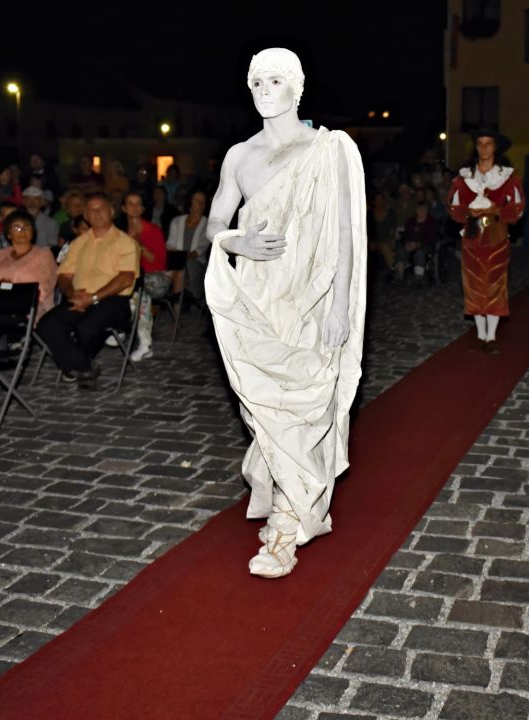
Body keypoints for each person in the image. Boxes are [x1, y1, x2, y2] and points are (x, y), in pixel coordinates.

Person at [204, 48, 366, 578]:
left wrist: (340, 305)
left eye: (275, 80)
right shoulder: (239, 156)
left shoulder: (328, 149)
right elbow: (214, 222)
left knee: (305, 410)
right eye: (256, 81)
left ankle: (283, 528)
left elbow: (344, 233)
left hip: (311, 296)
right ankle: (292, 503)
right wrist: (236, 241)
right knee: (265, 411)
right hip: (257, 299)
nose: (263, 90)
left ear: (298, 87)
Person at [35, 193, 138, 390]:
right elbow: (64, 275)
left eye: (101, 208)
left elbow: (125, 278)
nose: (96, 213)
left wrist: (93, 297)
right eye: (91, 210)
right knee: (48, 324)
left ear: (112, 212)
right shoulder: (78, 243)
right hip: (80, 297)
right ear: (85, 216)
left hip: (113, 300)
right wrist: (71, 293)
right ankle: (84, 367)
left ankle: (74, 367)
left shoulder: (125, 242)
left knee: (86, 327)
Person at [448, 128, 525, 353]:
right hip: (472, 238)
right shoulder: (464, 179)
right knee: (473, 285)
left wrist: (497, 210)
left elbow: (518, 208)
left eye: (488, 143)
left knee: (494, 284)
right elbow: (453, 207)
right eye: (480, 143)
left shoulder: (508, 179)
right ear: (476, 147)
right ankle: (481, 336)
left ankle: (491, 338)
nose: (484, 147)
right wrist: (467, 213)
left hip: (496, 237)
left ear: (495, 147)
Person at [0, 209, 59, 393]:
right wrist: (1, 285)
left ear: (33, 232)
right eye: (17, 227)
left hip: (29, 306)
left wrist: (14, 290)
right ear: (8, 233)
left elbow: (46, 285)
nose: (22, 231)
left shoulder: (43, 254)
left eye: (27, 227)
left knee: (9, 320)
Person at [119, 191, 168, 362]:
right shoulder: (119, 233)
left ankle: (125, 328)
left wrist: (140, 245)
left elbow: (158, 262)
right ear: (123, 208)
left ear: (143, 208)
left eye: (138, 203)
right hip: (129, 279)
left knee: (139, 290)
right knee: (135, 291)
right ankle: (142, 341)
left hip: (154, 278)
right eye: (130, 203)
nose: (134, 207)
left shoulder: (153, 230)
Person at [166, 191, 210, 301]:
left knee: (183, 266)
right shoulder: (177, 221)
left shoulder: (208, 225)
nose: (201, 203)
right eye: (198, 200)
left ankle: (178, 300)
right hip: (176, 260)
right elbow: (170, 245)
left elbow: (200, 250)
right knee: (176, 266)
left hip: (196, 263)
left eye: (203, 201)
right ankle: (176, 301)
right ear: (190, 203)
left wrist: (181, 258)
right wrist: (179, 258)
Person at [397, 200, 438, 283]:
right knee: (401, 250)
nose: (422, 211)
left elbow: (430, 237)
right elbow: (406, 234)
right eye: (420, 209)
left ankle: (418, 278)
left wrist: (418, 244)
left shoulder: (431, 222)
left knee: (420, 253)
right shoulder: (410, 221)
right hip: (411, 243)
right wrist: (408, 243)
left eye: (424, 209)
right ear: (416, 210)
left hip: (425, 245)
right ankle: (400, 276)